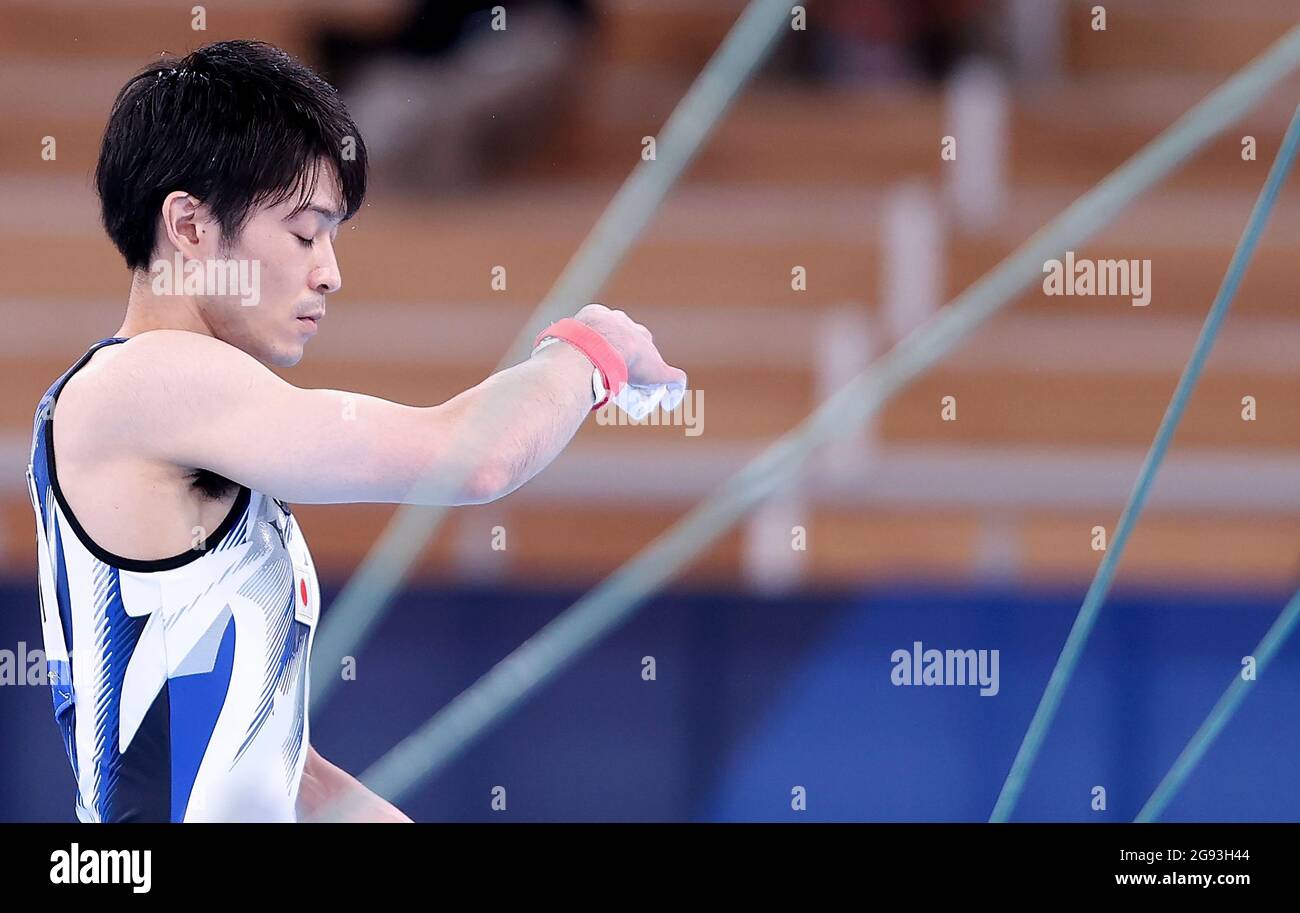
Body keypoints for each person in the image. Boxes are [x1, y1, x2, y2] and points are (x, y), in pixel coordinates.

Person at [25, 39, 685, 823]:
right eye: (305, 234)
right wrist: (591, 349)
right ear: (190, 226)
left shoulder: (190, 426)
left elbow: (279, 772)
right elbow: (469, 460)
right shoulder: (140, 382)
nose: (330, 272)